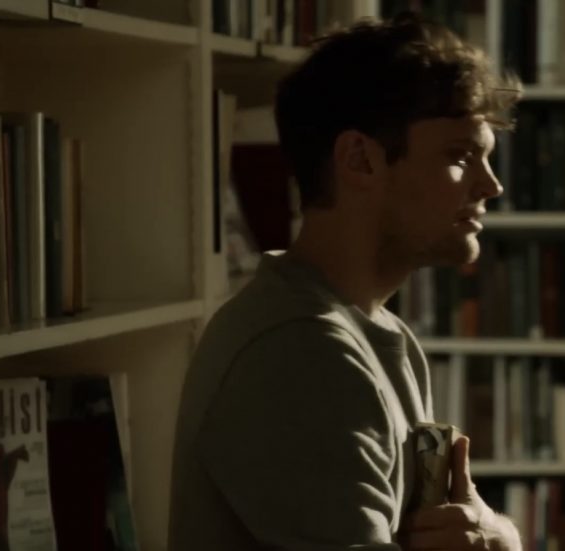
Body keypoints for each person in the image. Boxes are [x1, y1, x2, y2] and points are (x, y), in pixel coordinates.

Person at [168, 14, 521, 551]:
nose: (491, 185)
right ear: (359, 160)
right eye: (460, 155)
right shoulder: (300, 351)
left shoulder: (380, 335)